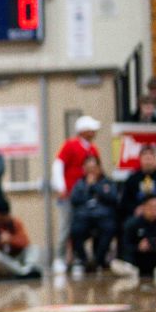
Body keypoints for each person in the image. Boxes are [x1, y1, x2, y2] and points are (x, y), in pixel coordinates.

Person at [52, 114, 101, 272]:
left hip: (85, 197)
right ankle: (59, 258)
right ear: (83, 131)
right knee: (65, 227)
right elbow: (58, 165)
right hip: (68, 195)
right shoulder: (70, 145)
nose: (94, 132)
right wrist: (61, 187)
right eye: (91, 129)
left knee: (79, 228)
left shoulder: (93, 149)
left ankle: (76, 258)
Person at [69, 155, 118, 272]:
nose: (91, 171)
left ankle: (98, 260)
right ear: (84, 169)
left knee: (109, 228)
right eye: (88, 168)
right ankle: (84, 260)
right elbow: (74, 200)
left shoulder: (107, 182)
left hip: (103, 217)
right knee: (75, 231)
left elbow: (113, 198)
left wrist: (96, 186)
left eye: (94, 168)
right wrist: (87, 187)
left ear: (99, 168)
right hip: (84, 218)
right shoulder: (80, 184)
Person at [112, 194, 156, 280]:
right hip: (137, 262)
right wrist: (138, 247)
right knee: (115, 264)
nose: (155, 209)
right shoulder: (132, 224)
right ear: (143, 207)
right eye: (151, 206)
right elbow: (124, 246)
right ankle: (134, 273)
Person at [121, 144, 156, 221]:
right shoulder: (132, 179)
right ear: (140, 159)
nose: (148, 161)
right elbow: (125, 202)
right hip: (138, 216)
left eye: (150, 157)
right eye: (145, 157)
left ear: (155, 159)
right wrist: (136, 209)